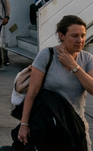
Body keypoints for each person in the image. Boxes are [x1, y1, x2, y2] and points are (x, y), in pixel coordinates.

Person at [17, 15, 93, 150]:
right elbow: (32, 92)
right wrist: (24, 124)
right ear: (61, 35)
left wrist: (74, 67)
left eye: (82, 35)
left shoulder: (87, 59)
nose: (80, 40)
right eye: (74, 36)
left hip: (76, 125)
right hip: (49, 126)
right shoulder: (47, 55)